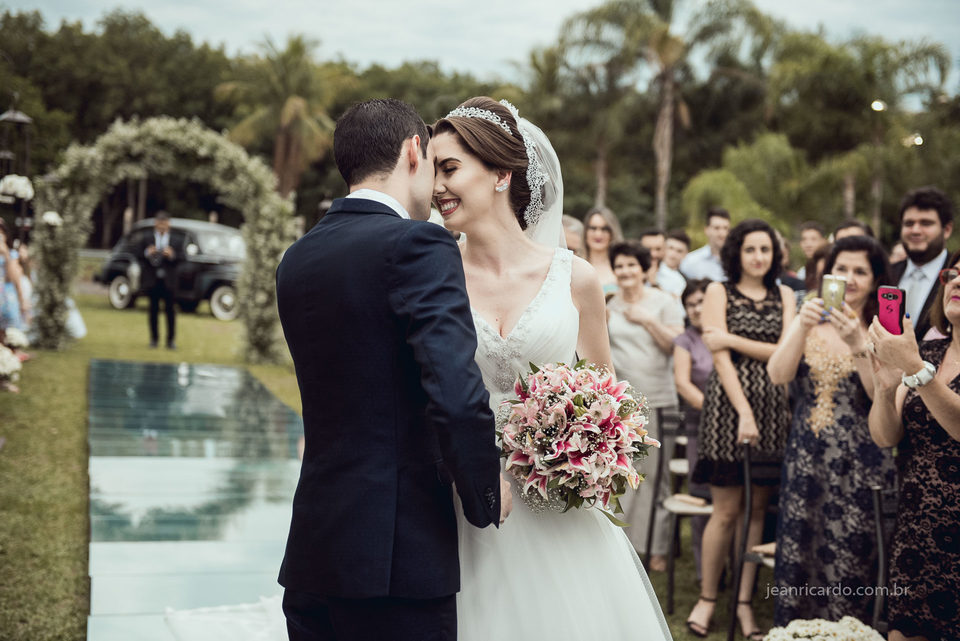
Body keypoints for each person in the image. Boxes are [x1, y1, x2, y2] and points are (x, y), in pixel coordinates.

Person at [432, 96, 670, 640]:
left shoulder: (576, 278)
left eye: (451, 169)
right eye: (435, 171)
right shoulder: (435, 272)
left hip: (557, 504)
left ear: (499, 174)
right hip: (461, 500)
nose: (438, 187)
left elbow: (612, 399)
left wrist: (588, 451)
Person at [273, 99, 506, 641]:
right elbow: (454, 391)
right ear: (412, 152)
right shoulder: (418, 244)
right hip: (397, 561)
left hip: (314, 549)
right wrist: (484, 493)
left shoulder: (297, 257)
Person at [767, 236, 896, 625]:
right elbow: (778, 374)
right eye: (842, 269)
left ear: (875, 280)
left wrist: (859, 343)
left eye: (861, 271)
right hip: (806, 456)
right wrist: (800, 328)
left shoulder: (883, 327)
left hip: (860, 462)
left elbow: (881, 396)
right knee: (800, 552)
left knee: (848, 557)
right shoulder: (808, 313)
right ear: (828, 274)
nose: (850, 279)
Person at [686, 218, 795, 640]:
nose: (758, 257)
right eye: (750, 249)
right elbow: (720, 360)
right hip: (729, 409)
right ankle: (709, 596)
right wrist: (743, 411)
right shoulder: (719, 291)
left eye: (765, 250)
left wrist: (730, 338)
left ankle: (745, 603)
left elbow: (785, 350)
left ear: (774, 255)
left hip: (773, 409)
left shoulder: (784, 293)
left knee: (755, 513)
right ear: (738, 252)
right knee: (726, 510)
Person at [867, 248, 960, 641]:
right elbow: (885, 436)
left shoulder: (919, 364)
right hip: (918, 528)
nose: (956, 282)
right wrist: (886, 391)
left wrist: (915, 370)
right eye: (952, 275)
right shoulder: (929, 354)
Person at [606, 240, 684, 571]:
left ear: (644, 269)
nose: (625, 271)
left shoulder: (664, 302)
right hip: (622, 404)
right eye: (620, 265)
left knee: (654, 477)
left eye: (631, 265)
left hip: (659, 400)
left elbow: (676, 346)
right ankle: (624, 547)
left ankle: (655, 547)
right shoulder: (608, 304)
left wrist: (648, 320)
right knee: (624, 474)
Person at [672, 278, 713, 579]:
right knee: (701, 498)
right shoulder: (684, 340)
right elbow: (683, 384)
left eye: (702, 301)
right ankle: (704, 571)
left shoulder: (728, 334)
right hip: (701, 426)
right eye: (691, 304)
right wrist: (717, 413)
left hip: (737, 429)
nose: (697, 309)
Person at [889, 186, 953, 341]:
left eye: (926, 223)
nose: (915, 230)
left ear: (947, 230)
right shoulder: (887, 273)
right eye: (909, 223)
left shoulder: (955, 277)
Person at [139, 212, 182, 349]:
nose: (162, 226)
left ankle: (170, 341)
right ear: (156, 223)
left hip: (169, 281)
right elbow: (137, 254)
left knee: (170, 311)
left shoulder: (176, 240)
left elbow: (183, 258)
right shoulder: (147, 238)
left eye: (165, 223)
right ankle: (154, 339)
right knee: (153, 310)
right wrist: (148, 252)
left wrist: (172, 255)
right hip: (153, 280)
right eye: (160, 223)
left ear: (168, 224)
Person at [582, 206, 623, 296]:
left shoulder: (622, 266)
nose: (598, 234)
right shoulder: (575, 264)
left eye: (605, 229)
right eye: (593, 228)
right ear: (585, 232)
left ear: (612, 232)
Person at [681, 207, 730, 282]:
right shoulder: (690, 262)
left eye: (725, 228)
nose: (722, 234)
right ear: (706, 230)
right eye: (717, 228)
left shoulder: (739, 260)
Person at [658, 229, 690, 297]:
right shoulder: (648, 269)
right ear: (663, 248)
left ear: (685, 255)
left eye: (679, 251)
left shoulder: (683, 282)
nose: (673, 254)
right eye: (671, 248)